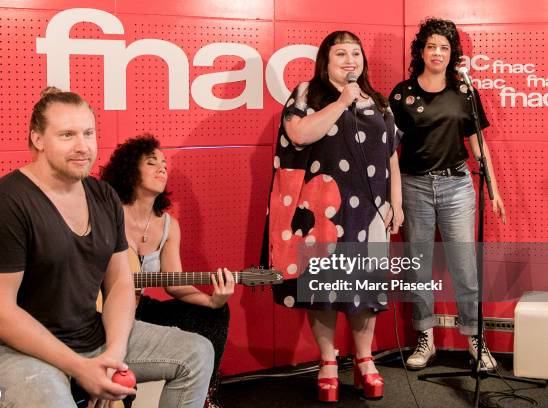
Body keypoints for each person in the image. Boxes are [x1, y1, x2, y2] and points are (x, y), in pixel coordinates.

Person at [0, 88, 214, 408]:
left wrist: (113, 357)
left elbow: (120, 281)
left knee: (196, 353)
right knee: (51, 397)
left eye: (88, 133)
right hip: (1, 348)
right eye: (66, 135)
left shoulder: (103, 197)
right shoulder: (5, 205)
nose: (82, 147)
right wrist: (80, 368)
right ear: (38, 139)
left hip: (86, 333)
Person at [262, 31, 403, 402]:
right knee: (324, 289)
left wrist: (397, 203)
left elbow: (391, 157)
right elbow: (298, 134)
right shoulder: (307, 93)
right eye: (341, 53)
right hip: (323, 211)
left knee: (366, 289)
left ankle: (365, 360)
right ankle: (327, 362)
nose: (350, 60)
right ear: (326, 61)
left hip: (371, 214)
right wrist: (342, 101)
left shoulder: (380, 102)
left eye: (356, 53)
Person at [388, 18, 507, 371]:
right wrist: (393, 199)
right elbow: (390, 150)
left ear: (452, 53)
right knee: (418, 267)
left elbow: (478, 144)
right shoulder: (401, 93)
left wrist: (494, 191)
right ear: (420, 51)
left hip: (457, 186)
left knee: (464, 268)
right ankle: (425, 339)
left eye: (444, 47)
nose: (437, 53)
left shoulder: (465, 92)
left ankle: (475, 338)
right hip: (414, 187)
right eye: (431, 46)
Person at [100, 135, 235, 408]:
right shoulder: (107, 213)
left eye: (164, 163)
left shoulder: (168, 225)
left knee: (216, 313)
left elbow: (174, 283)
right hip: (104, 310)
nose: (162, 168)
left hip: (140, 308)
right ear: (129, 171)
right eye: (152, 163)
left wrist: (212, 300)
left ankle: (206, 394)